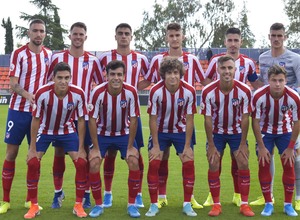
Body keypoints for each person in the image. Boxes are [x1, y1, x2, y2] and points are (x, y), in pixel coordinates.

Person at [140, 22, 209, 209]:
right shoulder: (157, 61)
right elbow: (148, 81)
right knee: (160, 158)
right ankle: (161, 197)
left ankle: (190, 198)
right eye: (171, 35)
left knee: (188, 156)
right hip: (162, 120)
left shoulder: (193, 60)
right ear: (166, 38)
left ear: (183, 36)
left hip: (183, 121)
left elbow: (204, 81)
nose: (174, 38)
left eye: (177, 35)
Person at [203, 27, 264, 207]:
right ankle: (212, 197)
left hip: (238, 117)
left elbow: (255, 83)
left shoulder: (249, 63)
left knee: (239, 159)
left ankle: (238, 196)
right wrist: (217, 96)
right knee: (215, 159)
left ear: (241, 42)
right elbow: (206, 80)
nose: (232, 44)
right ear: (225, 42)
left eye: (236, 40)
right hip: (217, 121)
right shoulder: (215, 60)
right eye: (229, 40)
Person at [47, 22, 104, 209]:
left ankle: (86, 194)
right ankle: (58, 193)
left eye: (81, 34)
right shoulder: (58, 58)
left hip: (84, 116)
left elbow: (100, 85)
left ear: (85, 37)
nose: (78, 37)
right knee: (58, 153)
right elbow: (49, 82)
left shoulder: (93, 60)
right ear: (70, 36)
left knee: (84, 155)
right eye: (75, 34)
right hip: (61, 115)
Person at [0, 19, 52, 214]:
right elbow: (13, 84)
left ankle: (31, 200)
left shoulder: (49, 55)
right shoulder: (19, 54)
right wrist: (27, 95)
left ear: (45, 34)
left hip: (39, 114)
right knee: (11, 154)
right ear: (29, 33)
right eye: (35, 31)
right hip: (18, 111)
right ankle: (5, 200)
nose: (38, 34)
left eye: (41, 31)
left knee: (35, 157)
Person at [24, 62, 88, 219]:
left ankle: (78, 205)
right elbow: (36, 119)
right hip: (45, 130)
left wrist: (81, 148)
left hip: (67, 130)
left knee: (81, 162)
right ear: (53, 78)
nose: (63, 81)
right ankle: (34, 206)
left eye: (67, 78)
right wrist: (32, 148)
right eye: (59, 78)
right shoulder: (42, 93)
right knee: (33, 162)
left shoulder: (78, 93)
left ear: (70, 78)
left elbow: (81, 120)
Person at [98, 23, 149, 208]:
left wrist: (133, 91)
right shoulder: (105, 57)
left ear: (131, 36)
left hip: (132, 113)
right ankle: (108, 194)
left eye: (127, 33)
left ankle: (138, 195)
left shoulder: (140, 58)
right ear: (115, 36)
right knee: (109, 153)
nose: (123, 36)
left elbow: (150, 78)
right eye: (120, 33)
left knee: (136, 154)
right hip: (108, 114)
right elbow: (97, 79)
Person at [251, 22, 300, 210]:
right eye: (273, 35)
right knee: (265, 158)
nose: (277, 39)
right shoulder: (263, 58)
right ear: (269, 37)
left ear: (285, 37)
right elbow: (264, 84)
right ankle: (268, 198)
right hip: (266, 120)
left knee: (293, 157)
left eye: (280, 35)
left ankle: (297, 197)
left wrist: (286, 94)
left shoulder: (295, 59)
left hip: (289, 115)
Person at [200, 55, 255, 217]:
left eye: (230, 68)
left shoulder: (244, 90)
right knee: (213, 162)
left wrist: (244, 143)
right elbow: (207, 119)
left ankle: (244, 204)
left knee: (243, 162)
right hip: (216, 133)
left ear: (235, 70)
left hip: (237, 132)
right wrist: (210, 145)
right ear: (217, 70)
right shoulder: (208, 91)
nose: (227, 71)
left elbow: (246, 118)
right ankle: (216, 204)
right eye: (223, 68)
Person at [88, 60, 141, 218]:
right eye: (112, 74)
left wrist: (130, 146)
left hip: (123, 133)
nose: (116, 78)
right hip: (102, 133)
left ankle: (132, 204)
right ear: (106, 75)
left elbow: (133, 119)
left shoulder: (131, 91)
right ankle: (98, 205)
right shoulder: (97, 92)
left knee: (133, 160)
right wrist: (96, 149)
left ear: (124, 76)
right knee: (94, 162)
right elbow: (92, 119)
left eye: (119, 74)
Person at [145, 57, 198, 217]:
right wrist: (155, 145)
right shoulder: (155, 91)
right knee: (154, 162)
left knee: (188, 162)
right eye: (169, 73)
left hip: (180, 131)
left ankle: (187, 204)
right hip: (160, 132)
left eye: (175, 72)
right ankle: (154, 204)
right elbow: (152, 119)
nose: (173, 76)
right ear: (163, 74)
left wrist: (188, 146)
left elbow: (190, 120)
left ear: (180, 73)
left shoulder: (189, 90)